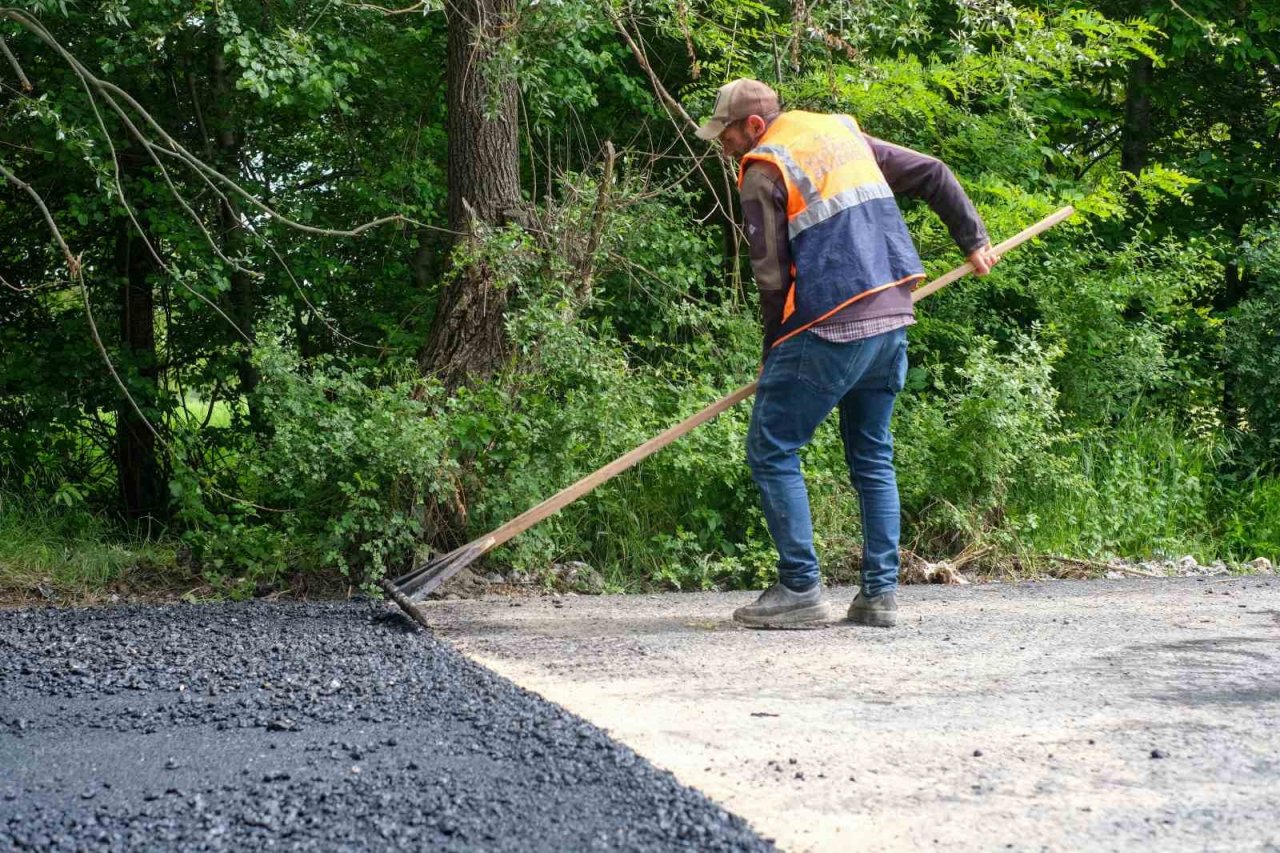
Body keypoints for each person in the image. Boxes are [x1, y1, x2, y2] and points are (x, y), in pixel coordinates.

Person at [695, 78, 998, 628]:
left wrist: (773, 352)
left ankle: (801, 590)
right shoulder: (839, 133)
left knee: (772, 448)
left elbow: (770, 275)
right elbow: (933, 171)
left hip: (829, 326)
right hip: (891, 318)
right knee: (872, 456)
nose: (725, 144)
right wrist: (973, 241)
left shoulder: (764, 167)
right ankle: (879, 597)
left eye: (728, 133)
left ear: (755, 126)